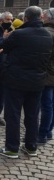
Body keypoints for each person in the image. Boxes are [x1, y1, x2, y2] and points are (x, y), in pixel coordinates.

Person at [0, 6, 53, 159]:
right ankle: (31, 146)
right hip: (38, 81)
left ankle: (12, 148)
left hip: (15, 81)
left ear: (25, 18)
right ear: (40, 18)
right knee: (32, 115)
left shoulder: (19, 34)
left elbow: (4, 47)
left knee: (13, 115)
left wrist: (6, 37)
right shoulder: (48, 36)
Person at [38, 8, 54, 144]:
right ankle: (48, 131)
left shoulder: (46, 33)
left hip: (47, 74)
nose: (42, 18)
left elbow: (43, 55)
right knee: (51, 105)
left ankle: (42, 134)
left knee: (46, 105)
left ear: (48, 18)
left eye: (43, 16)